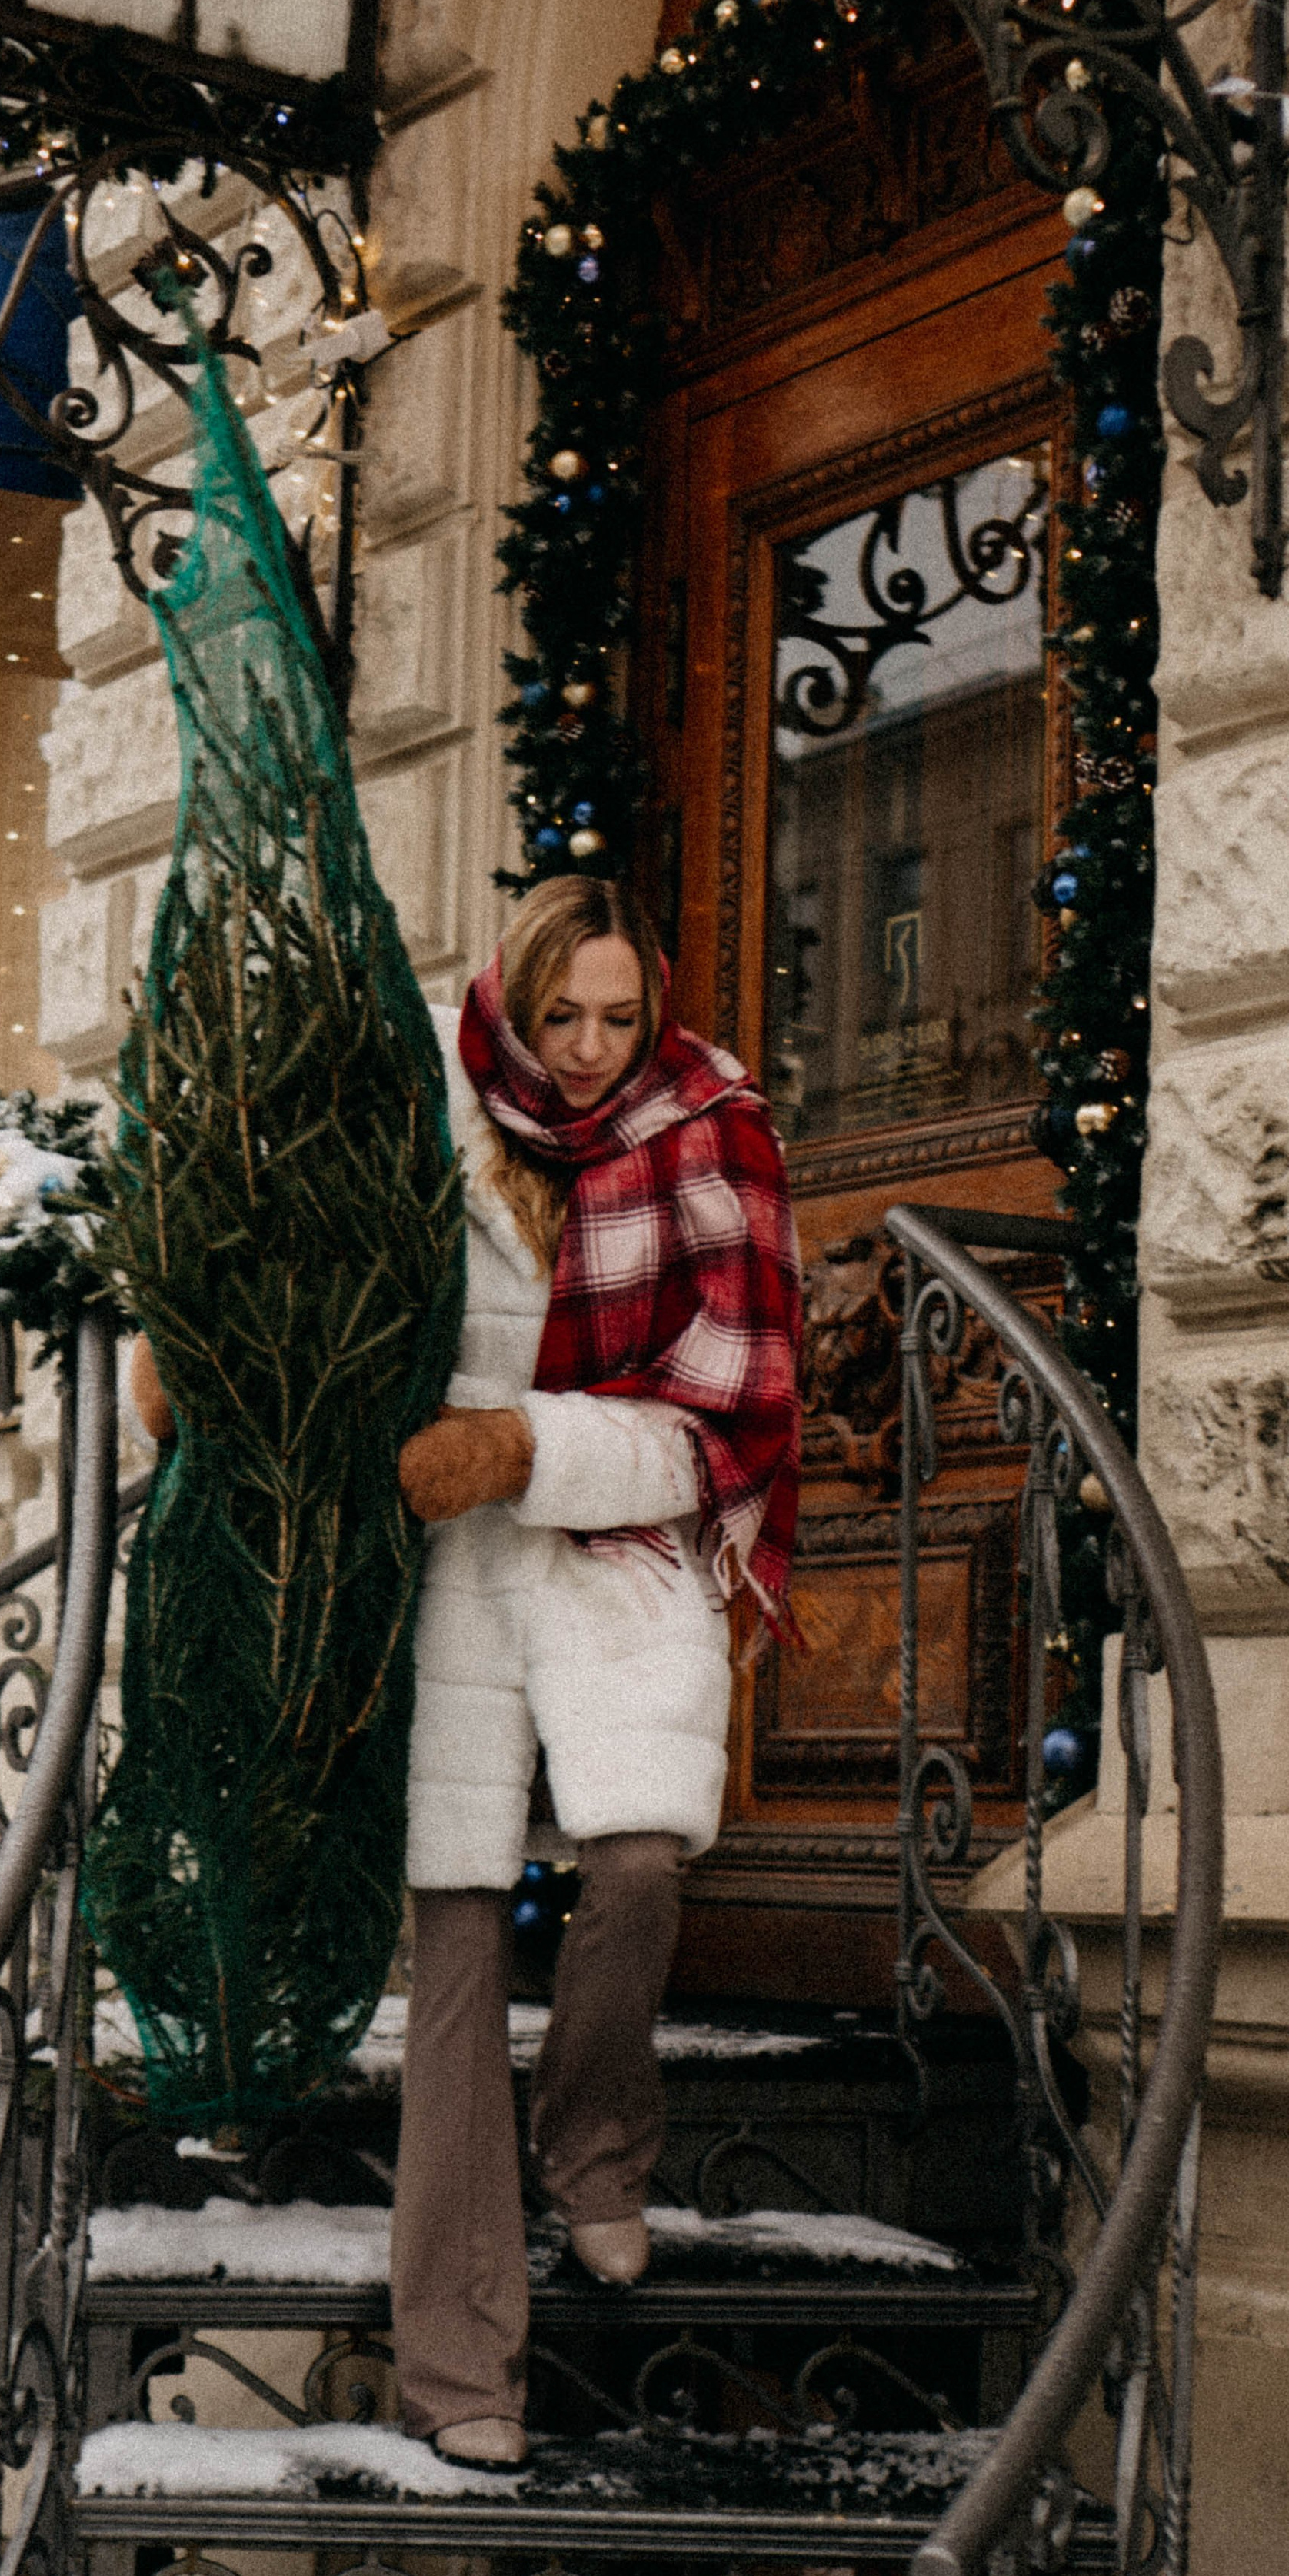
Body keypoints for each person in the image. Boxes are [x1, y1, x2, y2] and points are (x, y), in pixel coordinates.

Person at [388, 875, 801, 2469]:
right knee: (455, 1953)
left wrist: (525, 1446)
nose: (585, 1049)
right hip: (448, 1566)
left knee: (636, 1863)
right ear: (510, 997)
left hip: (617, 1542)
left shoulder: (709, 1130)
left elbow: (730, 1419)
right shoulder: (432, 1107)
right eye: (558, 1016)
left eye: (619, 1019)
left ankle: (597, 2149)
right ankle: (458, 2370)